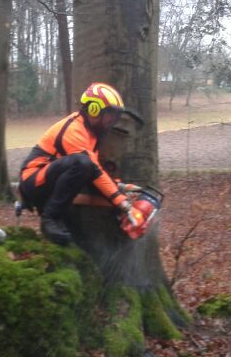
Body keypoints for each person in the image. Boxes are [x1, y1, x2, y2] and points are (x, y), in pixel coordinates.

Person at [19, 82, 140, 245]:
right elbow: (92, 169)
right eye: (110, 114)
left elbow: (94, 171)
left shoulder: (91, 133)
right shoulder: (74, 129)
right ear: (94, 110)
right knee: (81, 163)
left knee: (84, 165)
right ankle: (50, 218)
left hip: (47, 179)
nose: (112, 120)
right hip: (33, 180)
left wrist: (118, 186)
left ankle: (56, 220)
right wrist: (122, 203)